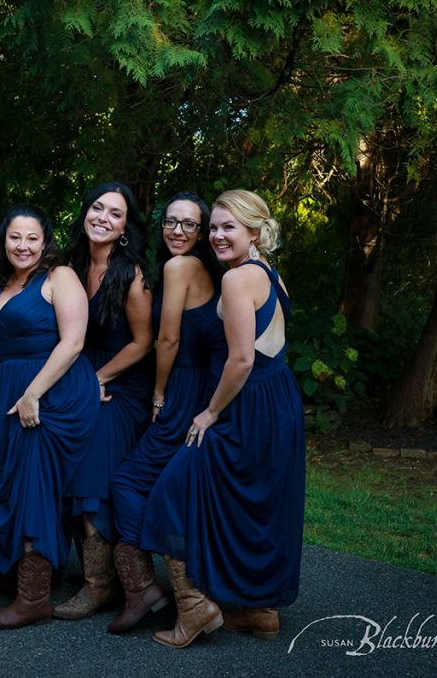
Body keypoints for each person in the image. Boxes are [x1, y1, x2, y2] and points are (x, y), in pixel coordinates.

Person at [140, 189, 306, 648]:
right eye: (213, 227)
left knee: (172, 489)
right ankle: (262, 611)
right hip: (279, 401)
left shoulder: (236, 281)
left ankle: (193, 608)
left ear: (255, 231)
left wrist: (209, 412)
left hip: (246, 403)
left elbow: (241, 360)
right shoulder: (271, 274)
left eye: (228, 227)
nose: (216, 235)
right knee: (259, 504)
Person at [107, 192, 223, 634]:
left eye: (189, 224)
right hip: (202, 387)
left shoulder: (179, 267)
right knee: (166, 484)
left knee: (129, 480)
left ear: (202, 230)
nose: (177, 231)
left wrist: (158, 396)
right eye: (170, 222)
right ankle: (170, 591)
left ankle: (182, 596)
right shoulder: (207, 269)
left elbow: (168, 341)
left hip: (184, 390)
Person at [0, 205, 100, 628]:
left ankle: (34, 597)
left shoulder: (59, 277)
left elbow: (73, 342)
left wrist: (33, 394)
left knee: (33, 481)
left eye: (32, 238)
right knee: (11, 478)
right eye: (15, 237)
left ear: (44, 240)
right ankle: (21, 573)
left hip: (54, 391)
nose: (23, 245)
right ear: (4, 239)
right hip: (14, 389)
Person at [55, 182, 153, 620]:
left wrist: (96, 378)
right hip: (80, 378)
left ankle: (103, 586)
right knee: (66, 461)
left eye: (115, 214)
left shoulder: (130, 273)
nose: (103, 218)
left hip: (121, 383)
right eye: (97, 208)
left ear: (125, 226)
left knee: (94, 469)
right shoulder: (70, 265)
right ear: (85, 212)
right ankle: (107, 578)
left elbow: (144, 341)